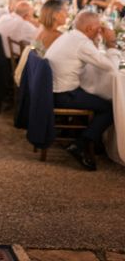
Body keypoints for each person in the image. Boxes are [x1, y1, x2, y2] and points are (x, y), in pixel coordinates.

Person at [45, 11, 117, 170]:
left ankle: (94, 140)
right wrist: (111, 43)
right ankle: (83, 143)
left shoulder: (70, 35)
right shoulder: (82, 44)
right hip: (63, 95)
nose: (101, 31)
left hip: (52, 90)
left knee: (95, 94)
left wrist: (97, 42)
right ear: (90, 28)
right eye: (99, 28)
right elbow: (112, 67)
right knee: (109, 108)